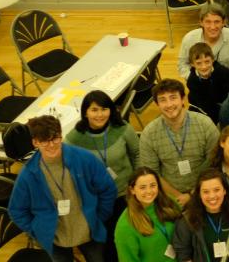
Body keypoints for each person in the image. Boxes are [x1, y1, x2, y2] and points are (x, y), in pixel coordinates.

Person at [9, 115, 118, 262]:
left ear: (61, 136)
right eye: (44, 141)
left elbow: (108, 188)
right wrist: (38, 229)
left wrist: (99, 216)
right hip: (56, 240)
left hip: (90, 231)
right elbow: (16, 210)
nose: (52, 145)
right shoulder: (28, 175)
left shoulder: (84, 158)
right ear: (35, 142)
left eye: (55, 138)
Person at [65, 90, 139, 261]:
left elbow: (137, 153)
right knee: (107, 243)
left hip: (125, 195)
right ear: (85, 112)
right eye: (94, 110)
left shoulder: (123, 128)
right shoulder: (74, 138)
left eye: (104, 109)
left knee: (127, 236)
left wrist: (137, 183)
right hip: (98, 200)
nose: (100, 114)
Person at [139, 79, 220, 206]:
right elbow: (152, 174)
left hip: (205, 190)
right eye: (163, 100)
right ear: (157, 104)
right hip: (169, 196)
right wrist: (178, 197)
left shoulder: (205, 124)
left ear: (183, 99)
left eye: (173, 98)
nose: (169, 104)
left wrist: (192, 194)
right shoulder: (149, 134)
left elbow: (215, 163)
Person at [173, 170, 229, 262]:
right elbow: (184, 256)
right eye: (206, 192)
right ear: (199, 194)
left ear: (224, 190)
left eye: (216, 190)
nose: (212, 196)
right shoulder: (187, 219)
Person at [114, 167, 184, 262]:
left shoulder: (170, 202)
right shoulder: (125, 225)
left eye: (153, 185)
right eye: (142, 187)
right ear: (132, 190)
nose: (149, 191)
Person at [177, 3, 229, 78]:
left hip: (227, 85)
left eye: (217, 22)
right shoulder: (189, 39)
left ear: (223, 22)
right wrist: (196, 80)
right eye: (208, 22)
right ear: (201, 22)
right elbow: (182, 65)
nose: (213, 27)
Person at [186, 42, 229, 123]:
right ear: (192, 64)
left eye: (207, 61)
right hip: (203, 108)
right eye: (199, 63)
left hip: (223, 104)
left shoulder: (224, 72)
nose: (204, 66)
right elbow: (202, 104)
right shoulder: (192, 82)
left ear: (212, 59)